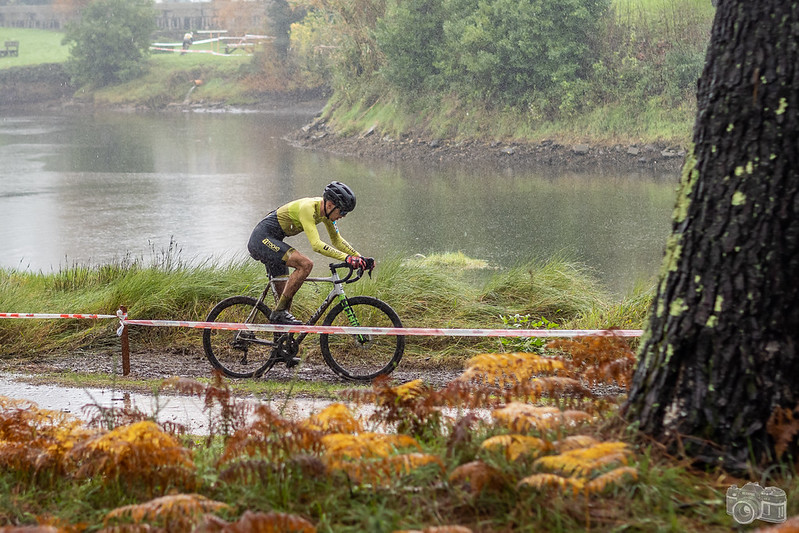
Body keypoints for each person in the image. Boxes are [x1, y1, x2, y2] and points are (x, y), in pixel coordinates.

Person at [247, 181, 374, 325]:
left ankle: (280, 342)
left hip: (274, 240)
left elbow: (337, 240)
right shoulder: (308, 208)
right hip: (261, 240)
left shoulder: (325, 213)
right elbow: (316, 245)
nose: (343, 216)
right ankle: (278, 314)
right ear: (330, 205)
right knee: (305, 264)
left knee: (285, 303)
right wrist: (347, 258)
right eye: (342, 211)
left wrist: (359, 257)